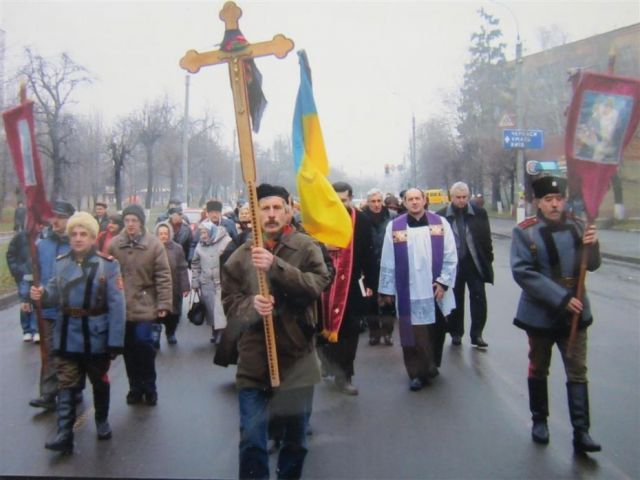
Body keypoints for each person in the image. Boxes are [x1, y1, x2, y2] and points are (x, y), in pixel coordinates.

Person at [221, 183, 332, 479]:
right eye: (264, 208)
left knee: (295, 441)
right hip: (254, 359)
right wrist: (251, 306)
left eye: (276, 208)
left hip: (297, 356)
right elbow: (230, 304)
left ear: (288, 210)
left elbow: (316, 285)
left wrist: (276, 266)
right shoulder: (239, 255)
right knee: (252, 441)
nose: (271, 215)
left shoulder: (307, 246)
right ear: (255, 214)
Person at [510, 175, 602, 453]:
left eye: (558, 199)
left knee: (577, 371)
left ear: (564, 200)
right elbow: (523, 272)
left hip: (575, 313)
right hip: (540, 313)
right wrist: (561, 299)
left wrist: (593, 245)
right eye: (548, 200)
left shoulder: (577, 226)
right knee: (539, 367)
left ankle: (582, 431)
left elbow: (592, 265)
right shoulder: (525, 231)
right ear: (538, 202)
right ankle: (540, 420)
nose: (554, 204)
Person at [30, 212, 125, 454]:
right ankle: (64, 434)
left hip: (95, 335)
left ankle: (101, 420)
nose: (78, 238)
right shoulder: (62, 262)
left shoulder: (108, 265)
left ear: (93, 238)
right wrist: (41, 293)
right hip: (66, 334)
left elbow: (116, 306)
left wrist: (115, 342)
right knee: (67, 385)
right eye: (74, 234)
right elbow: (53, 290)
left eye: (84, 234)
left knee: (99, 382)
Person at [379, 188, 457, 391]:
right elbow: (387, 259)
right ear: (404, 203)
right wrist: (387, 290)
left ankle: (431, 364)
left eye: (417, 199)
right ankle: (415, 373)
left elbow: (450, 254)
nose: (414, 202)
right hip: (409, 289)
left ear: (424, 200)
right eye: (410, 199)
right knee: (412, 332)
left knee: (435, 329)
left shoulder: (440, 224)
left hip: (434, 286)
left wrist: (443, 282)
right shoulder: (395, 227)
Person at [108, 204, 172, 406]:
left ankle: (150, 387)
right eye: (127, 220)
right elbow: (107, 274)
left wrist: (164, 303)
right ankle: (134, 387)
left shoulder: (154, 245)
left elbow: (163, 275)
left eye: (134, 220)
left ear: (141, 222)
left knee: (144, 346)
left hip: (146, 305)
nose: (130, 225)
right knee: (128, 350)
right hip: (122, 307)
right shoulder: (115, 244)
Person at [319, 181, 375, 395]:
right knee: (323, 329)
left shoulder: (361, 220)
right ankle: (327, 362)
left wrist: (371, 283)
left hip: (351, 285)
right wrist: (323, 246)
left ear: (351, 198)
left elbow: (370, 254)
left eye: (344, 200)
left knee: (350, 332)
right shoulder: (320, 219)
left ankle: (345, 376)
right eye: (336, 200)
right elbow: (306, 246)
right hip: (322, 285)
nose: (340, 204)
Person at [22, 200, 75, 410]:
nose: (56, 221)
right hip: (47, 308)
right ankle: (48, 393)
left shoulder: (77, 242)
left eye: (61, 217)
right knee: (49, 351)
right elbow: (31, 272)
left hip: (72, 309)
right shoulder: (41, 244)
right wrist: (26, 297)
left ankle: (72, 389)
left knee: (70, 352)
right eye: (54, 217)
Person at [438, 182, 494, 348]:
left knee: (479, 299)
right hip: (453, 266)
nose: (462, 201)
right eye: (458, 197)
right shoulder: (441, 216)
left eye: (464, 197)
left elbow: (486, 238)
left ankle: (477, 334)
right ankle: (456, 333)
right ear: (451, 197)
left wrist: (488, 260)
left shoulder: (479, 213)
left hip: (474, 264)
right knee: (455, 300)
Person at [361, 187, 397, 346]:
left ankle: (388, 333)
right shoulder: (361, 219)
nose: (376, 204)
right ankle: (374, 333)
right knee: (370, 302)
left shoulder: (392, 217)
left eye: (378, 201)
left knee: (389, 300)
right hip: (368, 265)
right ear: (367, 203)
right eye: (372, 201)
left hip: (388, 264)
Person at [191, 221, 232, 344]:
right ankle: (215, 331)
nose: (203, 235)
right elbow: (195, 264)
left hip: (221, 282)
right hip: (206, 283)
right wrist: (195, 282)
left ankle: (221, 334)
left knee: (220, 310)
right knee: (210, 311)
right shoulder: (200, 246)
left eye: (205, 232)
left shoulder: (225, 241)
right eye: (201, 232)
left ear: (211, 231)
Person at [154, 222, 190, 346]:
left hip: (174, 287)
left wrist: (185, 286)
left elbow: (182, 268)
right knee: (155, 313)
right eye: (161, 234)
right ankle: (155, 335)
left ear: (170, 234)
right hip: (156, 287)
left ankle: (170, 333)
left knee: (173, 315)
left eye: (165, 233)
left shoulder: (177, 248)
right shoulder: (152, 247)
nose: (163, 236)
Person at [7, 228, 39, 342]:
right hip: (23, 276)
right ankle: (27, 330)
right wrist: (16, 271)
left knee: (36, 302)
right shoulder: (19, 238)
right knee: (25, 302)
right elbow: (10, 254)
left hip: (36, 275)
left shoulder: (41, 236)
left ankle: (36, 330)